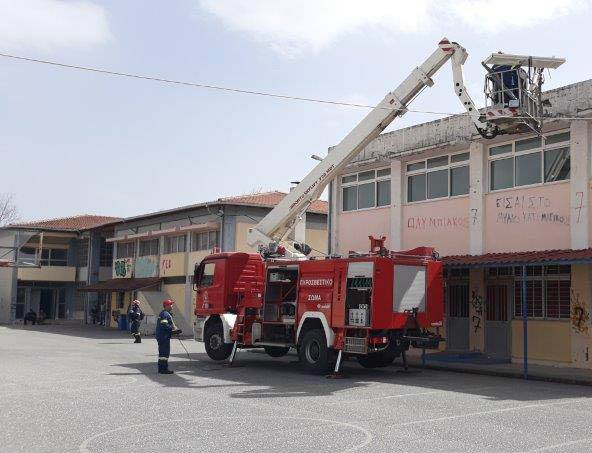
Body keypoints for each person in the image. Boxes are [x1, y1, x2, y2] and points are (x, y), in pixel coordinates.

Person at [155, 299, 181, 374]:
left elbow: (166, 325)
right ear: (167, 306)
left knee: (163, 353)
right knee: (164, 353)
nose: (172, 306)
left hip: (163, 336)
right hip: (163, 336)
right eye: (170, 304)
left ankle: (162, 369)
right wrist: (173, 331)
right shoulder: (165, 314)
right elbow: (164, 325)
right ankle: (163, 369)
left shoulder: (165, 313)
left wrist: (174, 330)